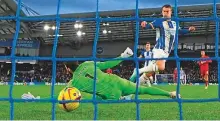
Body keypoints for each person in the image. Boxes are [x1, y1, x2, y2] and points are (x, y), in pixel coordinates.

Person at [22, 48, 180, 100]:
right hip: (117, 81)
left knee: (92, 98)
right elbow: (107, 64)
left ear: (67, 69)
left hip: (110, 95)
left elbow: (60, 97)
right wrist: (123, 56)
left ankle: (121, 98)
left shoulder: (74, 83)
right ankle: (170, 94)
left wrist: (35, 98)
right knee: (143, 89)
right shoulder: (88, 63)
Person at [130, 4, 196, 79]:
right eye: (164, 11)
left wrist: (188, 30)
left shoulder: (175, 23)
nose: (165, 13)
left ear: (171, 12)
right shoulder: (159, 21)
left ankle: (137, 85)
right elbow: (149, 25)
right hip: (159, 48)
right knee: (161, 67)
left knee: (150, 73)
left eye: (167, 11)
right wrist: (144, 24)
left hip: (166, 51)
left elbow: (180, 31)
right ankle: (138, 71)